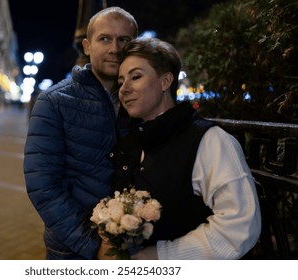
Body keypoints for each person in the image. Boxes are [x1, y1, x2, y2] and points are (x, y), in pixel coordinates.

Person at [99, 37, 261, 259]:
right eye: (120, 81)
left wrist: (162, 256)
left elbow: (240, 227)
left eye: (136, 77)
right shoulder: (132, 142)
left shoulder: (210, 140)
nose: (124, 89)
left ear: (165, 81)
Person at [23, 7, 138, 260]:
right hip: (72, 248)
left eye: (124, 40)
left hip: (132, 242)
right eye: (104, 38)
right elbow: (42, 185)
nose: (115, 48)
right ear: (87, 46)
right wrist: (93, 244)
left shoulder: (142, 100)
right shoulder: (54, 101)